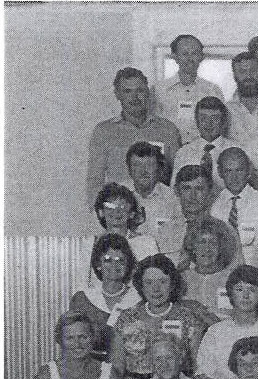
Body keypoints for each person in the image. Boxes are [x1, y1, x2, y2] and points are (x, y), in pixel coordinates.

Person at [87, 67, 181, 206]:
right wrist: (102, 217)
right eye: (127, 91)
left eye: (140, 90)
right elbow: (95, 181)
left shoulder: (168, 130)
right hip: (120, 212)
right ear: (117, 94)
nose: (134, 97)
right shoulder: (104, 131)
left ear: (148, 92)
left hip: (160, 209)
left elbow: (177, 178)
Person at [111, 254, 207, 379]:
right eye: (149, 282)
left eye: (162, 281)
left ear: (172, 284)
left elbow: (195, 368)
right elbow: (117, 367)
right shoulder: (126, 318)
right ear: (141, 285)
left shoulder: (189, 319)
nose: (156, 289)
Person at [195, 265, 258, 379]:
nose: (245, 295)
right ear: (230, 293)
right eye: (239, 289)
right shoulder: (215, 331)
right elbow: (203, 378)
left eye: (251, 290)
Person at [69, 234, 141, 360]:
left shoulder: (139, 298)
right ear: (98, 264)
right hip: (91, 369)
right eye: (108, 259)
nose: (114, 265)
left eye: (120, 260)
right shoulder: (82, 299)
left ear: (127, 265)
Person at [210, 147, 258, 271]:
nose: (234, 177)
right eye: (228, 171)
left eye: (239, 170)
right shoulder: (215, 205)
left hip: (255, 273)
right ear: (220, 172)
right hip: (222, 272)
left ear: (248, 171)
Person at [153, 34, 224, 145]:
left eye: (194, 53)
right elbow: (152, 126)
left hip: (202, 153)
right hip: (169, 152)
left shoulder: (213, 90)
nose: (190, 59)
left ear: (201, 57)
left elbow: (221, 127)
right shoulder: (159, 89)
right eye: (185, 54)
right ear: (175, 57)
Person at [181, 217, 242, 320]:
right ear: (193, 247)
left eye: (213, 243)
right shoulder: (182, 278)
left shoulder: (234, 279)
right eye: (202, 242)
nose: (207, 249)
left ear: (220, 247)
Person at [173, 97, 238, 194]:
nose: (209, 123)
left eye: (215, 118)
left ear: (223, 122)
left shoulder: (236, 150)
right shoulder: (183, 153)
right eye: (203, 118)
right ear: (197, 121)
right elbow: (175, 190)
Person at [156, 164, 214, 268]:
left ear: (209, 192)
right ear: (177, 191)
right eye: (186, 188)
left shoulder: (221, 230)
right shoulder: (163, 229)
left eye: (199, 189)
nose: (192, 196)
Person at [122, 141, 179, 244]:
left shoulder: (173, 198)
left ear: (158, 168)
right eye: (137, 165)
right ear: (129, 170)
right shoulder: (118, 195)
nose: (144, 171)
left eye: (149, 164)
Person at [91, 182, 158, 262]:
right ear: (101, 212)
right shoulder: (92, 245)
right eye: (110, 207)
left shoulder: (146, 243)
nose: (116, 212)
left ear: (131, 213)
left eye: (122, 207)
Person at [226, 53, 258, 153]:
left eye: (253, 70)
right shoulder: (226, 110)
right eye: (242, 71)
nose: (248, 76)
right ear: (234, 75)